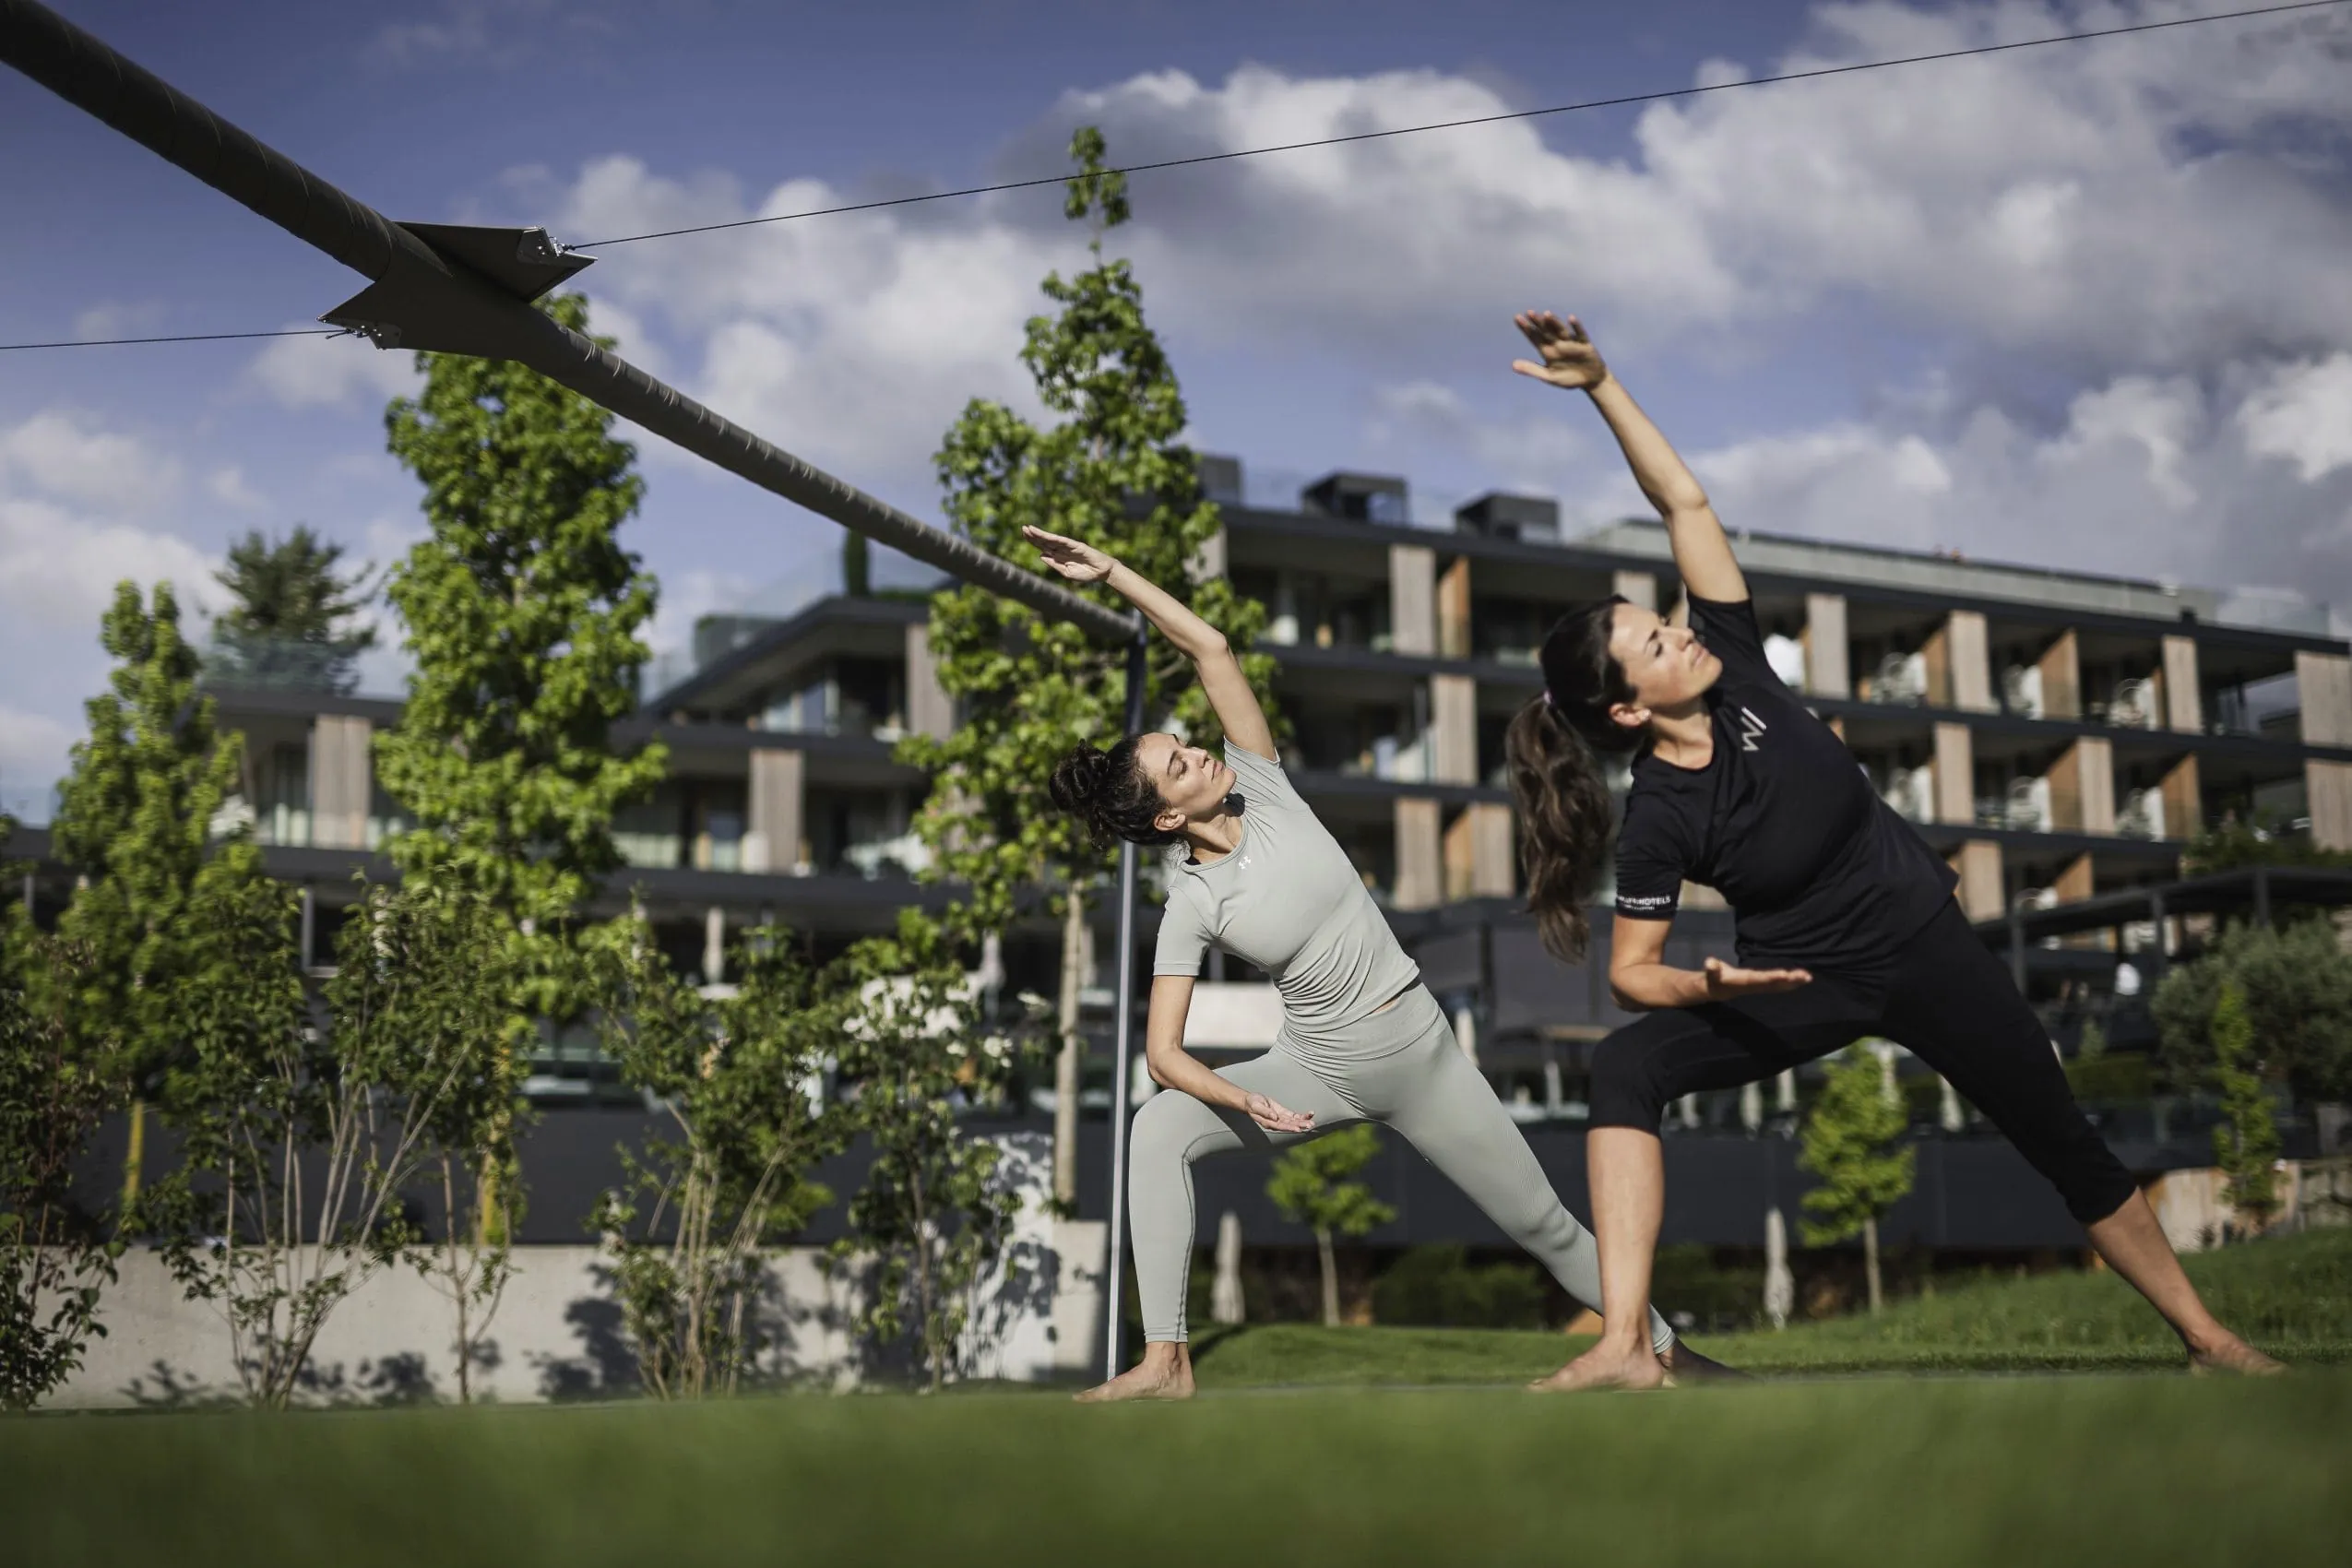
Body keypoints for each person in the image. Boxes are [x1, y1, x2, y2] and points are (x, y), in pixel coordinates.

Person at [1499, 309, 2284, 1391]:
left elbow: (1682, 500)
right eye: (1654, 641)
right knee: (1628, 1063)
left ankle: (2214, 1341)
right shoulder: (1661, 814)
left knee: (2064, 1139)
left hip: (1925, 944)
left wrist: (1602, 386)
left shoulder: (1734, 659)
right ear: (1630, 710)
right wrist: (1708, 981)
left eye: (1663, 618)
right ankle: (1629, 1343)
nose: (1679, 628)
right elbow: (1632, 973)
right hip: (1801, 976)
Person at [1028, 522, 1718, 1400]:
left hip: (1426, 1060)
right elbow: (1163, 1056)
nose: (1195, 748)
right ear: (1168, 816)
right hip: (1321, 1073)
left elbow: (1208, 645)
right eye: (1177, 763)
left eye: (1184, 742)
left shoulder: (1263, 784)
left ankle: (1670, 1359)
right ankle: (1166, 1362)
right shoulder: (1193, 904)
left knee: (1545, 1225)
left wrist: (1112, 568)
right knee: (1156, 1124)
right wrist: (1248, 1100)